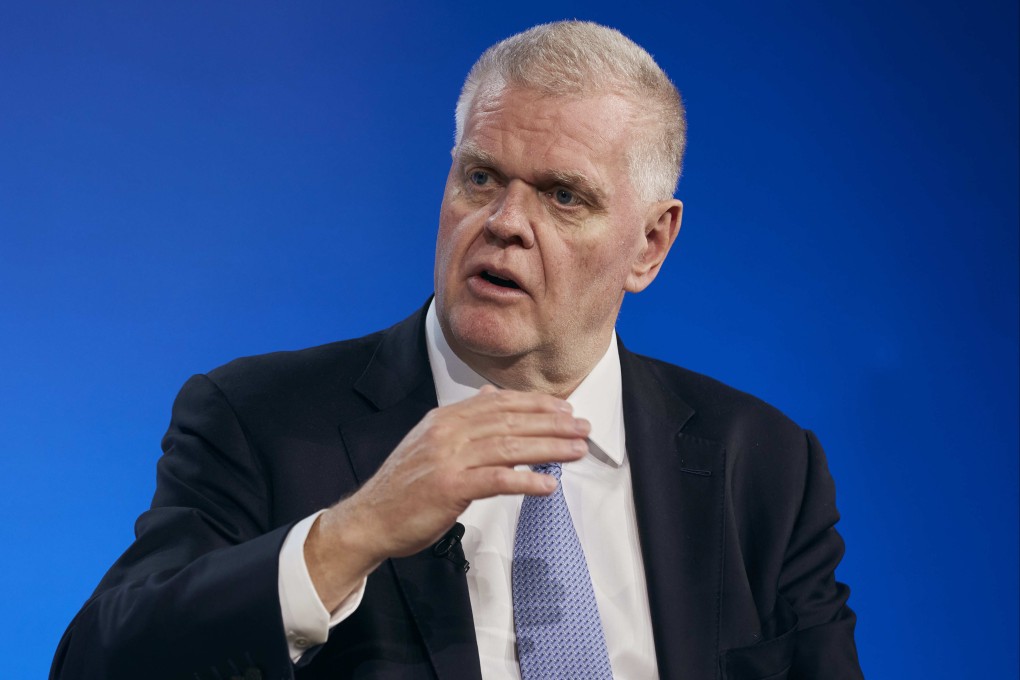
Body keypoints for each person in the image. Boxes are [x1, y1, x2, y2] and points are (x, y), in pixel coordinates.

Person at [51, 21, 863, 680]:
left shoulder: (761, 465)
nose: (505, 220)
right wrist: (351, 534)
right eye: (481, 178)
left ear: (649, 245)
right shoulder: (260, 421)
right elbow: (99, 664)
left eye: (562, 195)